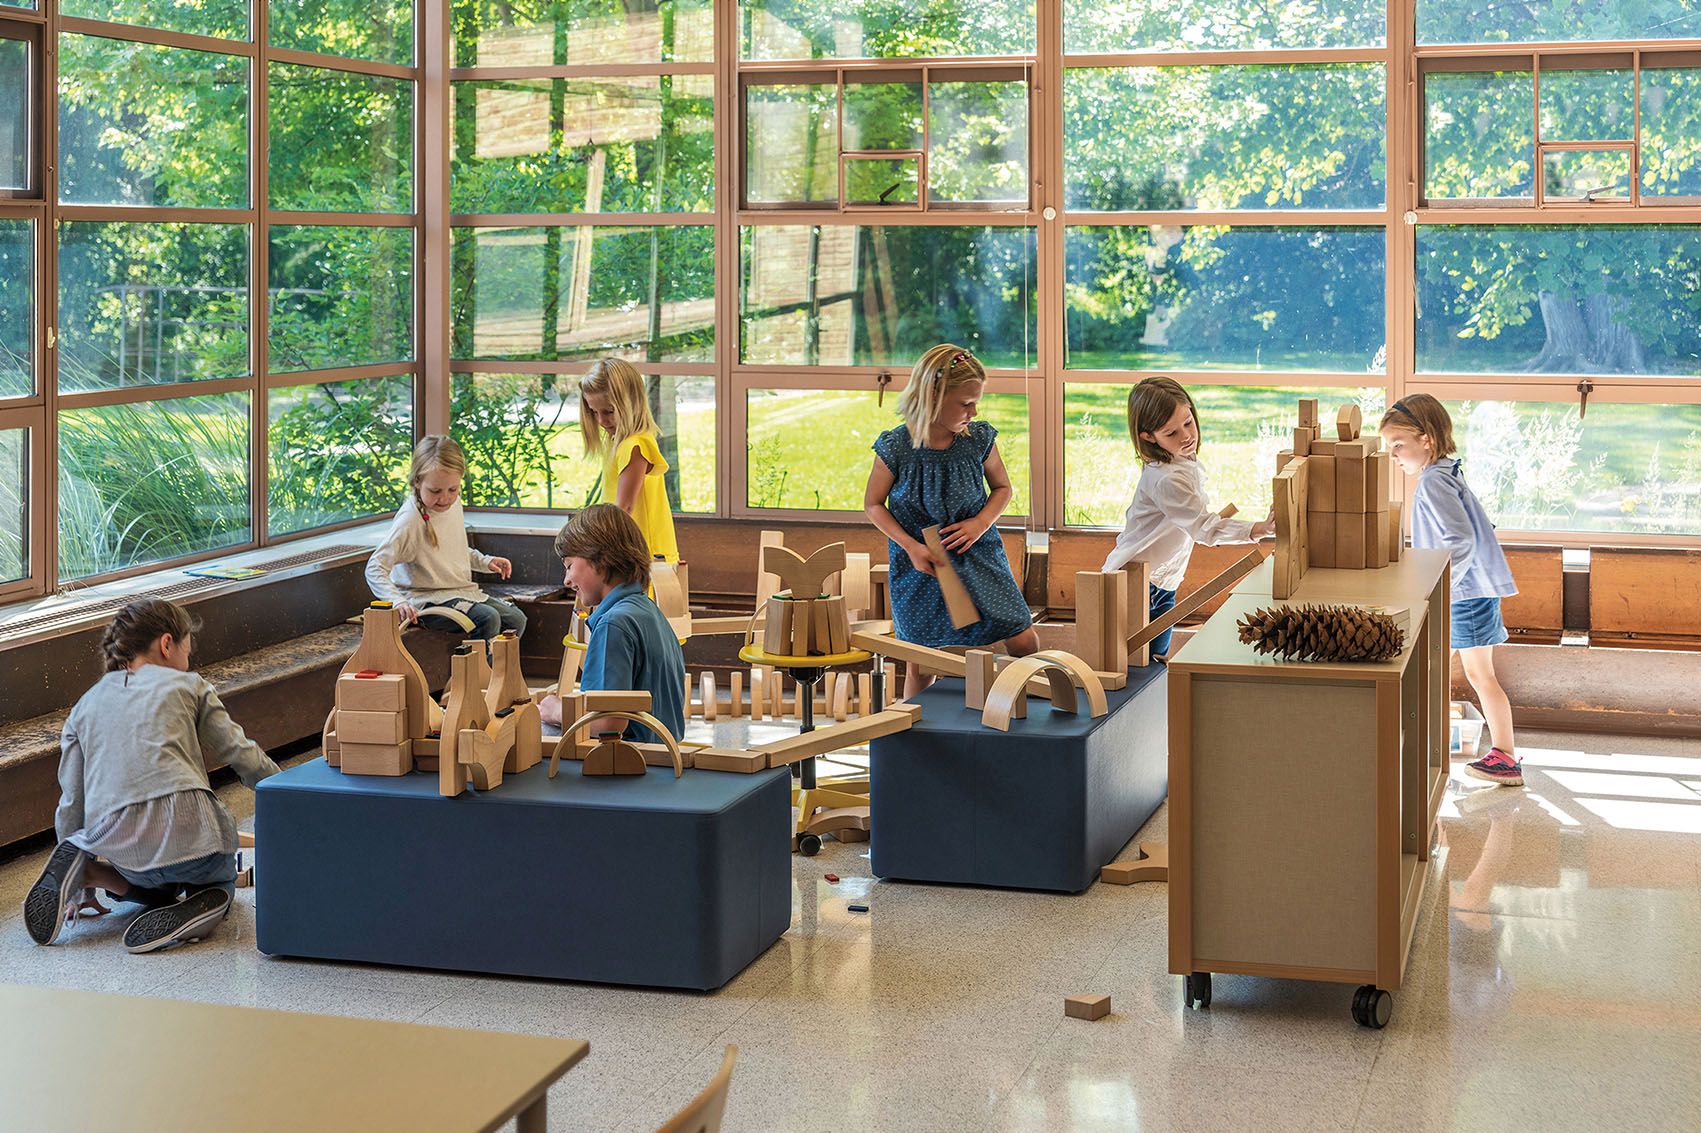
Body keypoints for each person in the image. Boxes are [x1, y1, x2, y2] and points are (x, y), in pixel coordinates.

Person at [25, 599, 280, 953]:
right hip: (191, 837)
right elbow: (241, 754)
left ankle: (90, 873)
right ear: (166, 644)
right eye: (186, 651)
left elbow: (71, 800)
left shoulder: (84, 705)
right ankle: (209, 904)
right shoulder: (190, 685)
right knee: (219, 879)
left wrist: (77, 854)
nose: (188, 662)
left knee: (154, 883)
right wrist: (286, 793)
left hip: (122, 847)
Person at [863, 344, 1037, 698]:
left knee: (1021, 636)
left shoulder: (978, 440)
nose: (974, 411)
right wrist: (910, 547)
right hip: (921, 565)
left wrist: (981, 523)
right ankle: (913, 732)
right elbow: (873, 505)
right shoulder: (896, 448)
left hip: (977, 554)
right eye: (965, 403)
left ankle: (1036, 709)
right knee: (921, 659)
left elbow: (1003, 488)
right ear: (932, 396)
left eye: (976, 402)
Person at [1380, 394, 1521, 786]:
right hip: (1470, 591)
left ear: (1426, 439)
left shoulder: (1433, 483)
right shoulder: (1444, 472)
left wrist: (1438, 586)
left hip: (1466, 595)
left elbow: (1461, 541)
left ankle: (1506, 756)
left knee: (1479, 675)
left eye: (1397, 445)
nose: (1393, 455)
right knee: (1473, 673)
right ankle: (1495, 752)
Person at [1102, 377, 1273, 658]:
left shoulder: (1180, 462)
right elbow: (1204, 529)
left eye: (1188, 422)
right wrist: (1258, 529)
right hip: (1135, 585)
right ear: (1148, 436)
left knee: (1153, 667)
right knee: (1139, 674)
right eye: (1171, 433)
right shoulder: (1166, 479)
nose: (1186, 436)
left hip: (1162, 584)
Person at [536, 504, 686, 745]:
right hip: (663, 753)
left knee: (532, 732)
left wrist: (555, 710)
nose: (566, 580)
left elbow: (608, 723)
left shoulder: (613, 624)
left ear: (600, 559)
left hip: (636, 758)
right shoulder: (647, 610)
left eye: (569, 566)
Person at [366, 435, 525, 641]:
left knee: (516, 620)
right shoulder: (410, 520)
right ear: (417, 481)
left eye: (453, 489)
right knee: (488, 618)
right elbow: (374, 567)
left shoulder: (453, 504)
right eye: (435, 491)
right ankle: (478, 673)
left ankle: (500, 672)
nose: (445, 498)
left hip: (459, 593)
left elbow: (450, 551)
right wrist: (397, 601)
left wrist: (485, 562)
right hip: (426, 602)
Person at [581, 357, 680, 564]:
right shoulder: (619, 441)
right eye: (593, 412)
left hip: (641, 553)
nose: (600, 420)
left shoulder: (635, 446)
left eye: (608, 412)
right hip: (627, 548)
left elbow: (624, 508)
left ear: (631, 404)